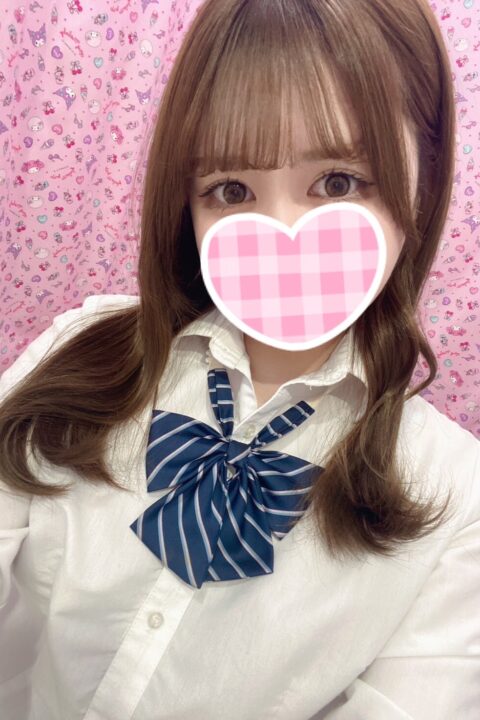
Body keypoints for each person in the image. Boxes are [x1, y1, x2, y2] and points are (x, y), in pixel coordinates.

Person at [0, 0, 478, 718]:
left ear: (426, 176)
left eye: (339, 181)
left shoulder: (458, 499)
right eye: (230, 190)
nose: (281, 230)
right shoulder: (80, 347)